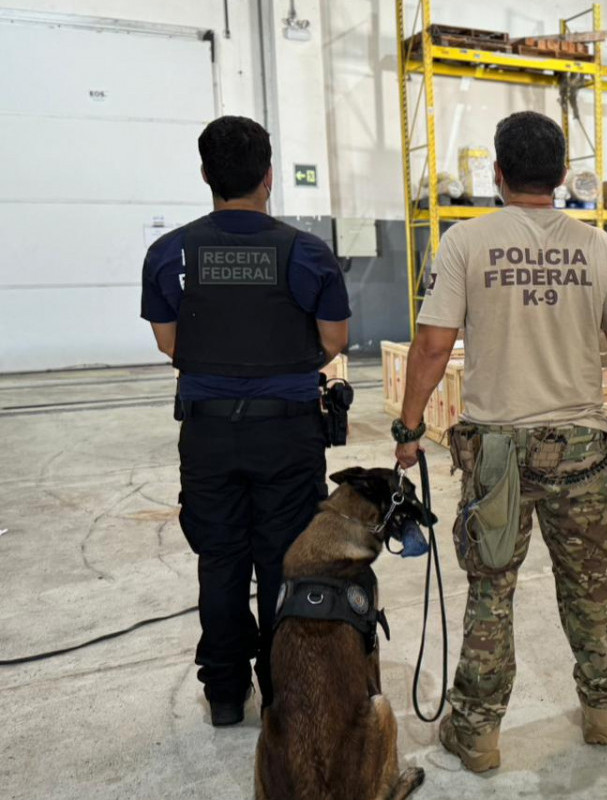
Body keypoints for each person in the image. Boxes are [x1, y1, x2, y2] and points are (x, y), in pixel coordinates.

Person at [393, 111, 607, 772]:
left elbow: (433, 343)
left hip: (497, 450)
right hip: (582, 447)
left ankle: (477, 734)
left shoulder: (464, 243)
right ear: (563, 177)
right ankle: (602, 714)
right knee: (588, 583)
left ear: (498, 174)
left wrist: (410, 426)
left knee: (491, 589)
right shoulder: (599, 247)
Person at [140, 116, 350, 726]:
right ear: (269, 176)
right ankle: (285, 688)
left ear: (206, 174)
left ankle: (225, 694)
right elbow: (334, 339)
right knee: (284, 560)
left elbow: (169, 344)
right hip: (287, 432)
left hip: (206, 433)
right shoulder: (306, 252)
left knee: (220, 558)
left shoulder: (169, 252)